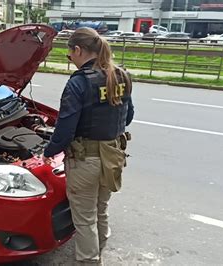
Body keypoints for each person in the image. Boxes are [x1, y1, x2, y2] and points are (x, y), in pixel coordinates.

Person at [42, 27, 134, 265]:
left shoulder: (78, 83)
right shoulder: (121, 75)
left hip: (85, 162)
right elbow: (128, 116)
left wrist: (48, 152)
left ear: (78, 50)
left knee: (84, 220)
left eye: (69, 54)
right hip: (113, 156)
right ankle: (99, 253)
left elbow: (65, 130)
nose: (70, 59)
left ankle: (89, 261)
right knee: (100, 210)